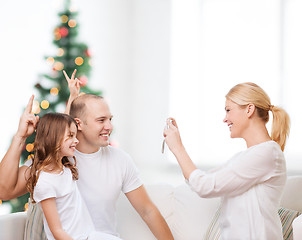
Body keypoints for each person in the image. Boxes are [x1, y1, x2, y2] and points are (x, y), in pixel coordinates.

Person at [0, 70, 174, 240]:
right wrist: (20, 136)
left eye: (110, 119)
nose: (110, 127)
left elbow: (147, 211)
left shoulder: (120, 160)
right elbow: (4, 191)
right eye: (101, 120)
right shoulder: (53, 162)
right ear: (79, 124)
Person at [163, 82, 290, 239]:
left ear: (249, 109)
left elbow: (204, 186)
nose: (225, 119)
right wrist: (177, 146)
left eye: (228, 110)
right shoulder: (245, 158)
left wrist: (178, 148)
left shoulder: (268, 153)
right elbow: (199, 181)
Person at [27, 112, 121, 240]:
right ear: (53, 137)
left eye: (75, 135)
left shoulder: (65, 167)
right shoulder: (45, 182)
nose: (76, 140)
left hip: (88, 236)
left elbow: (62, 124)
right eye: (71, 136)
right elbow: (57, 231)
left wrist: (72, 97)